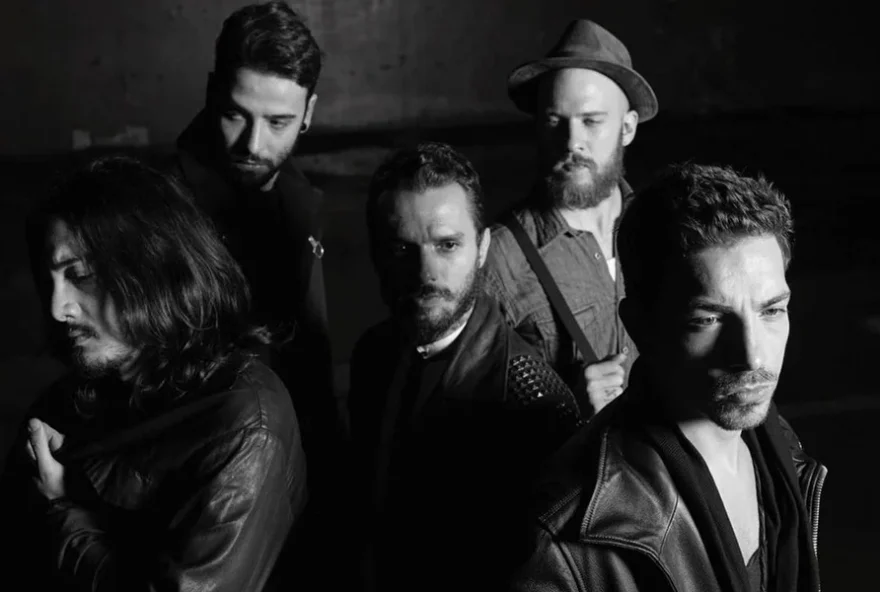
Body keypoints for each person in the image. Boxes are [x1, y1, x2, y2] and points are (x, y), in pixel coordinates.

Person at [509, 163, 827, 592]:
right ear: (640, 325)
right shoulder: (566, 542)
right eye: (709, 319)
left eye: (771, 310)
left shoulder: (781, 449)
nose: (752, 356)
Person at [4, 156, 307, 591]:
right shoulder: (70, 399)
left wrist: (62, 508)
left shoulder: (245, 425)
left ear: (153, 270)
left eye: (81, 275)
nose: (57, 308)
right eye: (49, 281)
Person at [348, 142, 584, 592]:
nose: (426, 273)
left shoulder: (532, 399)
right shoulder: (373, 354)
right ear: (376, 254)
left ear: (482, 248)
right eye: (401, 248)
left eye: (448, 245)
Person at [171, 1, 339, 470]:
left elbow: (312, 368)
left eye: (278, 122)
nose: (253, 143)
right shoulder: (160, 214)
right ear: (212, 93)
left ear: (308, 113)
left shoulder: (302, 203)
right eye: (235, 114)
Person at [485, 19, 659, 418]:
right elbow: (474, 425)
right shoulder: (499, 259)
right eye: (554, 121)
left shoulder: (664, 229)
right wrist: (568, 410)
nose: (572, 141)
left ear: (627, 128)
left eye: (591, 121)